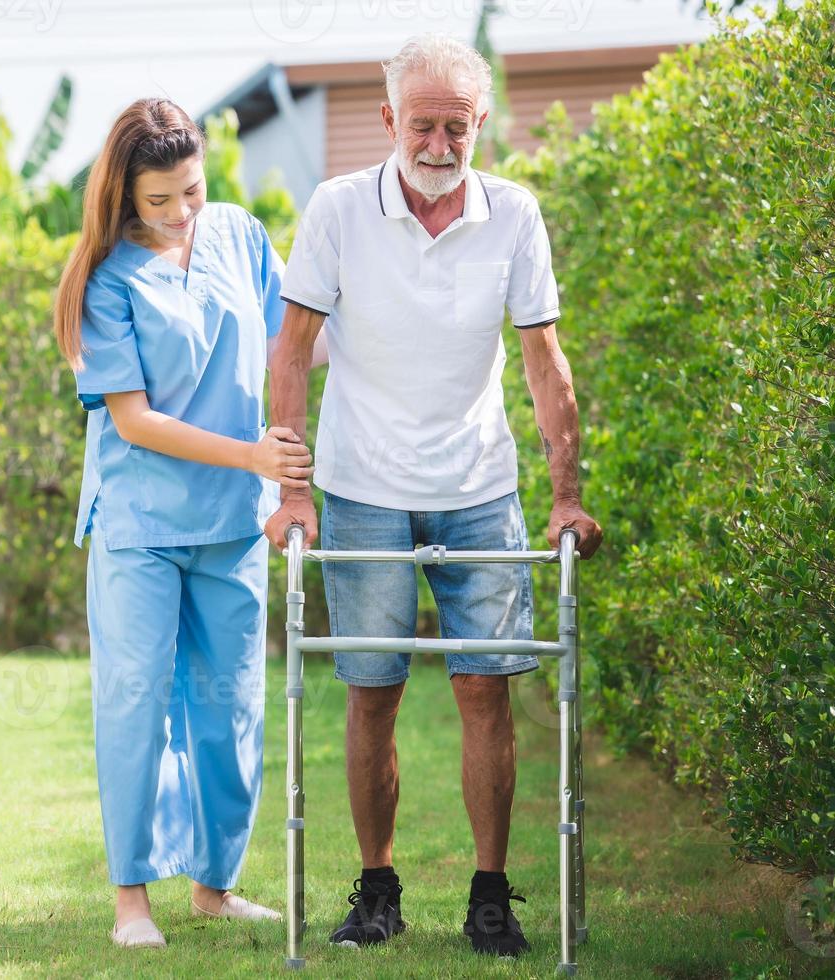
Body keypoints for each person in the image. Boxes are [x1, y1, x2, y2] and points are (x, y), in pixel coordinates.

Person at [264, 34, 605, 959]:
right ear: (388, 122)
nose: (440, 142)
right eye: (423, 124)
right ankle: (377, 890)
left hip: (477, 484)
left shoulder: (513, 215)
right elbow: (291, 351)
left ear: (480, 125)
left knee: (483, 691)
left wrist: (564, 495)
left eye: (458, 126)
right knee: (369, 694)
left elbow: (543, 359)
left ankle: (490, 896)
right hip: (362, 485)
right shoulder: (337, 210)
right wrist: (291, 497)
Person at [54, 97, 325, 950]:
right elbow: (131, 420)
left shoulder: (240, 236)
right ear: (124, 196)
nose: (178, 214)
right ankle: (130, 899)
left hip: (230, 525)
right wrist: (253, 456)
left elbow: (300, 339)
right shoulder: (105, 281)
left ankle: (215, 886)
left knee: (230, 705)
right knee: (136, 704)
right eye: (157, 201)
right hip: (140, 520)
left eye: (191, 193)